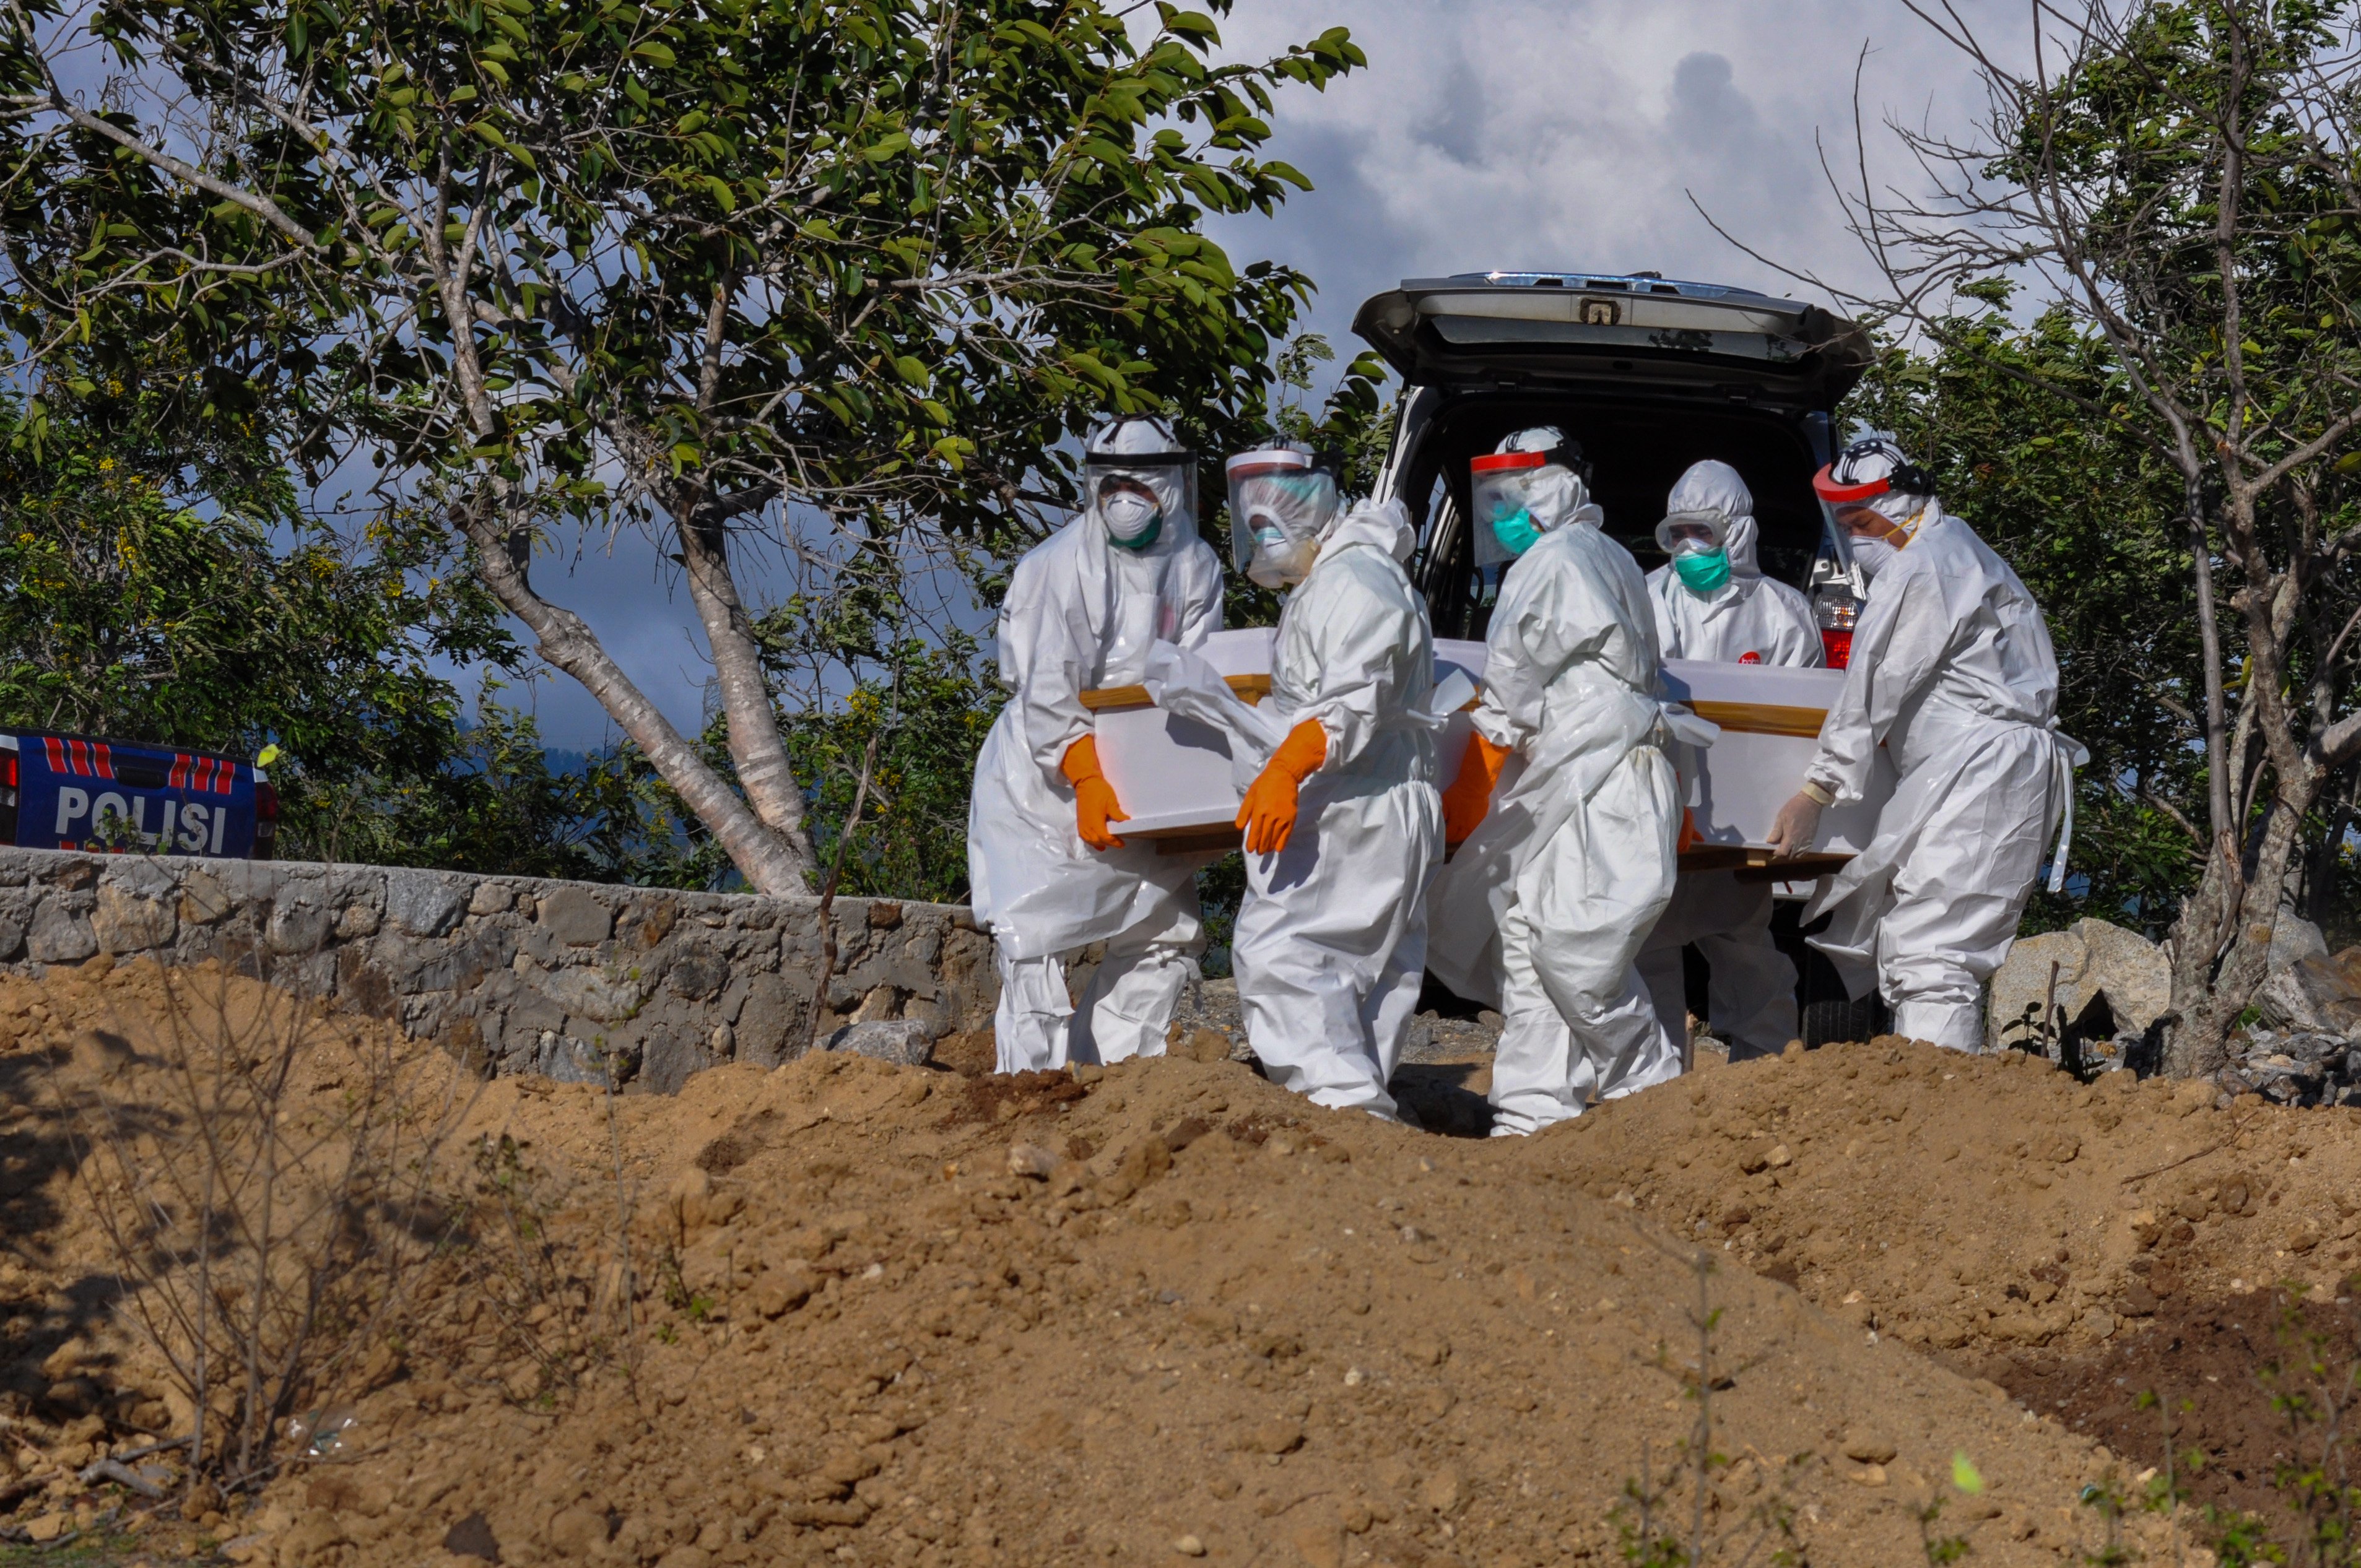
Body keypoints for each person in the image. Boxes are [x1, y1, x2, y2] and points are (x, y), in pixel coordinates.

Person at [1428, 428, 1704, 1135]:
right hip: (1573, 775)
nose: (1501, 516)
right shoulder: (1608, 555)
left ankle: (1651, 1095)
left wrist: (1469, 785)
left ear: (1549, 488)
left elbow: (1512, 685)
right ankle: (1531, 1117)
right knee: (1527, 937)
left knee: (1579, 953)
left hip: (1602, 775)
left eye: (1514, 496)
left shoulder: (1554, 561)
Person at [1767, 435, 2077, 1051]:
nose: (1855, 539)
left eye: (1863, 521)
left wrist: (1815, 789)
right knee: (1927, 944)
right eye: (1845, 524)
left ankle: (1941, 1116)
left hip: (1982, 772)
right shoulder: (1959, 550)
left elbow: (1873, 685)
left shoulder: (1927, 564)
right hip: (1982, 769)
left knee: (1933, 952)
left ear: (1905, 503)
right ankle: (1938, 1109)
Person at [967, 417, 1224, 1073]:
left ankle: (1114, 1085)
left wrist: (1196, 788)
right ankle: (1034, 1089)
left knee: (1164, 936)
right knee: (1034, 939)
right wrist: (1083, 772)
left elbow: (1195, 675)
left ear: (1171, 485)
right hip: (1043, 783)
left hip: (1145, 773)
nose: (1125, 498)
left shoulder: (1195, 565)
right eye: (1112, 483)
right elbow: (1045, 685)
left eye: (1140, 483)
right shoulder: (1055, 567)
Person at [1226, 447, 1442, 1120]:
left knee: (1285, 954)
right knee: (1363, 972)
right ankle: (1364, 1122)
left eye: (1270, 525)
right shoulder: (1340, 579)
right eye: (1251, 526)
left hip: (1354, 807)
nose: (1261, 541)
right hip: (1372, 801)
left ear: (1312, 513)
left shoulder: (1354, 584)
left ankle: (1344, 1114)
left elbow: (1350, 702)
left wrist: (1287, 769)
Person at [1635, 460, 1822, 1064]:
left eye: (1704, 534)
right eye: (1679, 534)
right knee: (1644, 943)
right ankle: (1650, 1094)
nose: (1690, 548)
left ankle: (1763, 1076)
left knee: (1743, 940)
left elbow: (1807, 719)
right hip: (1655, 803)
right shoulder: (1643, 597)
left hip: (1746, 819)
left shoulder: (1782, 612)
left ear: (1737, 533)